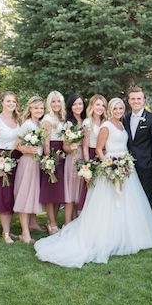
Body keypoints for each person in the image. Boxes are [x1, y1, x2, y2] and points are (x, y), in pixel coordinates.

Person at [34, 98, 152, 268]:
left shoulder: (122, 124)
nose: (117, 111)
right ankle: (107, 236)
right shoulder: (106, 126)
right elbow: (100, 149)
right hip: (111, 166)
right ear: (110, 110)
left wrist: (122, 165)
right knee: (109, 205)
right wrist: (109, 166)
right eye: (114, 108)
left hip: (126, 167)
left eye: (120, 108)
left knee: (127, 203)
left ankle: (125, 235)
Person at [122, 86, 152, 212]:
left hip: (146, 166)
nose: (136, 101)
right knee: (130, 198)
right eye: (133, 99)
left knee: (147, 197)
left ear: (143, 100)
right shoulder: (124, 119)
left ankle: (149, 228)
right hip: (127, 166)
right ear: (128, 101)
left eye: (139, 98)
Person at [0, 91, 21, 244]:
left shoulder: (19, 120)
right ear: (2, 102)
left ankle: (10, 229)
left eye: (13, 101)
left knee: (14, 194)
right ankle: (5, 232)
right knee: (4, 195)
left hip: (18, 159)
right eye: (8, 101)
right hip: (2, 159)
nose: (11, 104)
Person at [13, 96, 46, 244]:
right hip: (27, 163)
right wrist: (28, 149)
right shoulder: (27, 124)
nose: (39, 110)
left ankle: (33, 224)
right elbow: (17, 145)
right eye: (36, 108)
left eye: (41, 108)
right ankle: (24, 233)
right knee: (25, 196)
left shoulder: (40, 124)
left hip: (36, 163)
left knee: (33, 195)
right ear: (30, 109)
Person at [40, 91, 66, 234]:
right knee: (50, 192)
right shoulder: (47, 119)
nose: (56, 104)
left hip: (62, 155)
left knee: (57, 192)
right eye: (53, 101)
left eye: (58, 101)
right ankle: (52, 223)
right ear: (49, 103)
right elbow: (46, 142)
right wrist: (48, 159)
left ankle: (52, 221)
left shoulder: (61, 118)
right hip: (52, 155)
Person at [79, 94, 108, 211]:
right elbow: (85, 147)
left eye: (103, 105)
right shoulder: (87, 122)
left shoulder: (105, 121)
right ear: (92, 106)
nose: (100, 108)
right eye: (97, 105)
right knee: (92, 188)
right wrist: (87, 167)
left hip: (105, 156)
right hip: (91, 156)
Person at [62, 93, 86, 225]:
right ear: (70, 107)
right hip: (73, 159)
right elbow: (65, 147)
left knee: (81, 191)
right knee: (70, 193)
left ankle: (78, 223)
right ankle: (67, 223)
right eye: (75, 104)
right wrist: (73, 146)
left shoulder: (87, 121)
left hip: (85, 158)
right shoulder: (69, 124)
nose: (78, 106)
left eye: (80, 103)